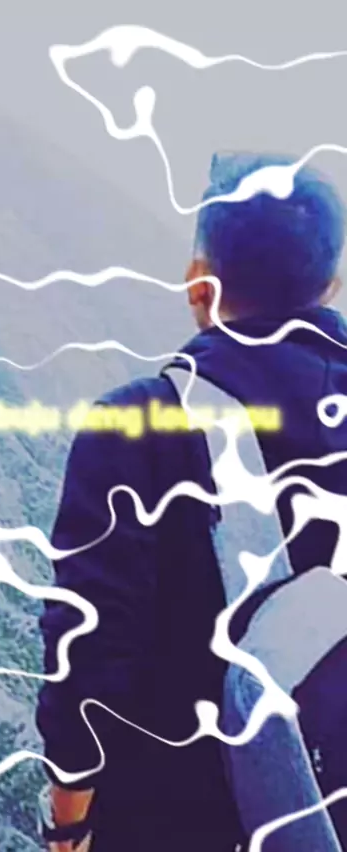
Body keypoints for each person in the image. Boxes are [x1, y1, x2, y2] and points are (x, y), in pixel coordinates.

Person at [35, 151, 347, 851]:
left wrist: (70, 820)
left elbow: (88, 649)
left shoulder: (141, 423)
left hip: (175, 819)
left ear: (199, 283)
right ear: (331, 284)